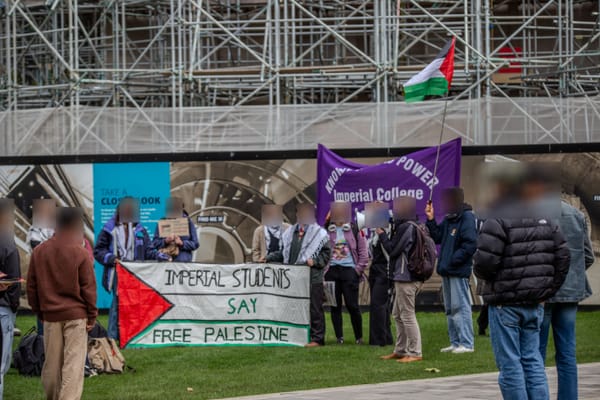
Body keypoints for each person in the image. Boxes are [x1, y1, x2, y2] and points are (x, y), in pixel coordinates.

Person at [474, 166, 570, 400]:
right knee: (532, 360)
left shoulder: (497, 217)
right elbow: (564, 256)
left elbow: (485, 262)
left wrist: (489, 279)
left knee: (510, 365)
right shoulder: (546, 218)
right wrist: (548, 290)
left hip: (505, 303)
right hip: (534, 303)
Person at [27, 207, 97, 400]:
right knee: (73, 366)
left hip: (50, 315)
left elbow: (32, 287)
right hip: (76, 315)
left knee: (51, 365)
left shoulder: (39, 251)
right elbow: (89, 289)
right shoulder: (80, 252)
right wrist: (92, 316)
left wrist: (39, 311)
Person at [539, 201, 595, 400]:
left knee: (536, 355)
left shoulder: (532, 212)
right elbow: (588, 256)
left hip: (543, 292)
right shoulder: (576, 214)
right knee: (567, 355)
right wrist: (572, 274)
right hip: (571, 291)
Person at [94, 197, 164, 340]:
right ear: (120, 210)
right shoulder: (109, 229)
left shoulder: (140, 229)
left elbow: (148, 251)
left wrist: (161, 256)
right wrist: (112, 259)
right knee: (117, 305)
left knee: (135, 306)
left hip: (135, 273)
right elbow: (98, 251)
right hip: (118, 272)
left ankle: (133, 337)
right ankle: (112, 338)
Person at [266, 203, 331, 347]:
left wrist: (315, 261)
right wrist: (268, 258)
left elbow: (327, 254)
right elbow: (283, 254)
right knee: (294, 307)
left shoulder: (319, 234)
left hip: (313, 277)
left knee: (315, 308)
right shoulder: (289, 233)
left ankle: (317, 338)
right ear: (297, 215)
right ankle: (296, 335)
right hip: (295, 278)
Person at [425, 187, 477, 353]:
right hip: (447, 270)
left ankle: (467, 343)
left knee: (460, 306)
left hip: (457, 270)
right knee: (450, 308)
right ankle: (455, 342)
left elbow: (470, 244)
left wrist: (453, 260)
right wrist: (431, 219)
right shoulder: (449, 219)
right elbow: (438, 236)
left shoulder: (466, 217)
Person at [378, 196, 424, 363]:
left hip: (406, 277)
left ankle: (415, 352)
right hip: (404, 276)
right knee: (397, 314)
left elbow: (393, 249)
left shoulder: (407, 228)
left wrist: (382, 235)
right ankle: (401, 349)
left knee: (407, 315)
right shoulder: (410, 224)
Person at [324, 201, 369, 345]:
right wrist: (326, 271)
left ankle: (359, 337)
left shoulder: (355, 229)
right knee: (334, 306)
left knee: (352, 305)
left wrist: (357, 270)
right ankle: (339, 338)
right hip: (332, 272)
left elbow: (363, 253)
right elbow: (322, 251)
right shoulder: (327, 231)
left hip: (350, 272)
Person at [0, 199, 21, 398]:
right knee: (1, 364)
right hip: (3, 308)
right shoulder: (6, 241)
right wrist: (14, 305)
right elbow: (14, 279)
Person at [366, 202, 393, 347]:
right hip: (375, 269)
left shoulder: (388, 228)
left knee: (378, 304)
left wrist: (382, 234)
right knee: (381, 305)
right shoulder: (374, 232)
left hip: (385, 269)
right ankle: (386, 337)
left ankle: (378, 340)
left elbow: (390, 249)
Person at [153, 197, 199, 262]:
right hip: (165, 262)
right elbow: (154, 243)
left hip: (182, 264)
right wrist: (165, 241)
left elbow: (195, 244)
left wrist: (182, 243)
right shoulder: (162, 222)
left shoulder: (188, 222)